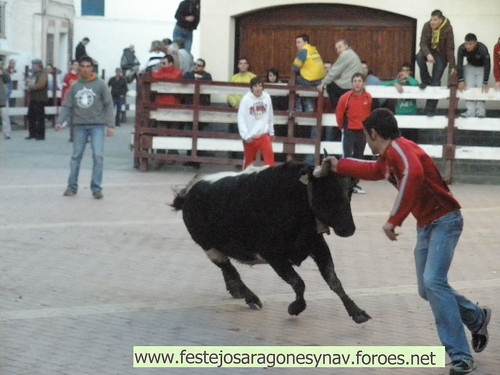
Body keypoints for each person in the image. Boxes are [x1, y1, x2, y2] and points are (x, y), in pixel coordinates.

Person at [323, 108, 491, 375]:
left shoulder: (400, 151)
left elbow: (413, 176)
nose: (367, 141)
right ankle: (476, 316)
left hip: (445, 221)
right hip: (428, 225)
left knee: (434, 283)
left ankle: (460, 356)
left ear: (374, 134)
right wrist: (339, 165)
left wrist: (394, 219)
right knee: (428, 289)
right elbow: (375, 170)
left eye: (367, 136)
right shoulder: (391, 155)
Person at [54, 56, 115, 200]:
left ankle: (96, 188)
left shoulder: (100, 84)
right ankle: (72, 186)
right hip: (79, 125)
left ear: (92, 68)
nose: (86, 69)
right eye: (83, 66)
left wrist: (110, 125)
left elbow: (108, 104)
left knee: (98, 156)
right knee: (76, 156)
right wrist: (59, 121)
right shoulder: (75, 86)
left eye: (88, 66)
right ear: (79, 68)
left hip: (97, 125)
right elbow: (67, 105)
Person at [335, 72, 373, 194]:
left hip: (362, 132)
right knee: (348, 158)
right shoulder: (345, 98)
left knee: (359, 158)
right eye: (355, 81)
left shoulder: (368, 98)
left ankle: (354, 184)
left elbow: (369, 115)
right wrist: (342, 127)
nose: (357, 83)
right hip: (349, 131)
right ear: (352, 83)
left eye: (359, 81)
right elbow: (339, 114)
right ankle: (345, 185)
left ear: (363, 83)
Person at [416, 9, 455, 116]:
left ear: (441, 20)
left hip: (441, 55)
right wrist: (428, 54)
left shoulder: (448, 28)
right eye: (431, 19)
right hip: (428, 50)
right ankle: (426, 79)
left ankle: (430, 109)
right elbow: (422, 43)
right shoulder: (426, 26)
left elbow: (450, 49)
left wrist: (453, 67)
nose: (432, 22)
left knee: (436, 81)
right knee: (419, 57)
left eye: (435, 19)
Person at [237, 77, 275, 169]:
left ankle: (270, 180)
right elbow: (241, 118)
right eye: (255, 86)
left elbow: (270, 115)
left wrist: (271, 131)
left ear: (263, 87)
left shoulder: (267, 97)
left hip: (263, 135)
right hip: (251, 136)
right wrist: (245, 135)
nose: (258, 88)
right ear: (251, 88)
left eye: (260, 86)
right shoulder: (246, 99)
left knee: (270, 159)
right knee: (248, 163)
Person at [317, 39, 362, 110]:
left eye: (340, 47)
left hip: (347, 86)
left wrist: (323, 83)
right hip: (355, 85)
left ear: (346, 46)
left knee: (330, 86)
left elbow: (334, 71)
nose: (338, 50)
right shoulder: (353, 54)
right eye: (336, 48)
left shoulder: (345, 55)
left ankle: (338, 110)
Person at [456, 33, 491, 118]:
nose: (468, 46)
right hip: (469, 67)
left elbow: (487, 65)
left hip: (481, 67)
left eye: (470, 44)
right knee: (469, 88)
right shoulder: (462, 48)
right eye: (466, 43)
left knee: (481, 88)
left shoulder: (482, 48)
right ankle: (470, 111)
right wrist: (461, 80)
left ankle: (481, 112)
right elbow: (459, 64)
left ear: (476, 43)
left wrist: (485, 82)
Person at [292, 34, 325, 113]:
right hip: (320, 81)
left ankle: (298, 107)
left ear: (305, 42)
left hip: (309, 80)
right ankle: (309, 106)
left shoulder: (303, 51)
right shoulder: (314, 50)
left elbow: (295, 68)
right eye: (296, 43)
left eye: (299, 42)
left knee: (294, 82)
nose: (297, 45)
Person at [25, 59, 48, 140]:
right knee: (31, 116)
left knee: (40, 117)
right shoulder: (34, 73)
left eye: (33, 64)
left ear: (38, 65)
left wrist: (31, 88)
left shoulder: (43, 73)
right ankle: (32, 134)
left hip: (40, 98)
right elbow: (30, 81)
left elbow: (41, 84)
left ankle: (40, 135)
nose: (32, 66)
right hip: (34, 98)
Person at [61, 60, 80, 142]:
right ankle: (72, 136)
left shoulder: (81, 76)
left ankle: (82, 136)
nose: (76, 66)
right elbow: (64, 89)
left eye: (78, 65)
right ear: (71, 66)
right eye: (75, 64)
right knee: (72, 119)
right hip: (70, 99)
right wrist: (63, 99)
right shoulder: (67, 76)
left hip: (79, 100)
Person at [0, 60, 12, 139]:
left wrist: (2, 72)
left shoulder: (4, 74)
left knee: (5, 116)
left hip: (2, 98)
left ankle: (6, 133)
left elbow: (8, 81)